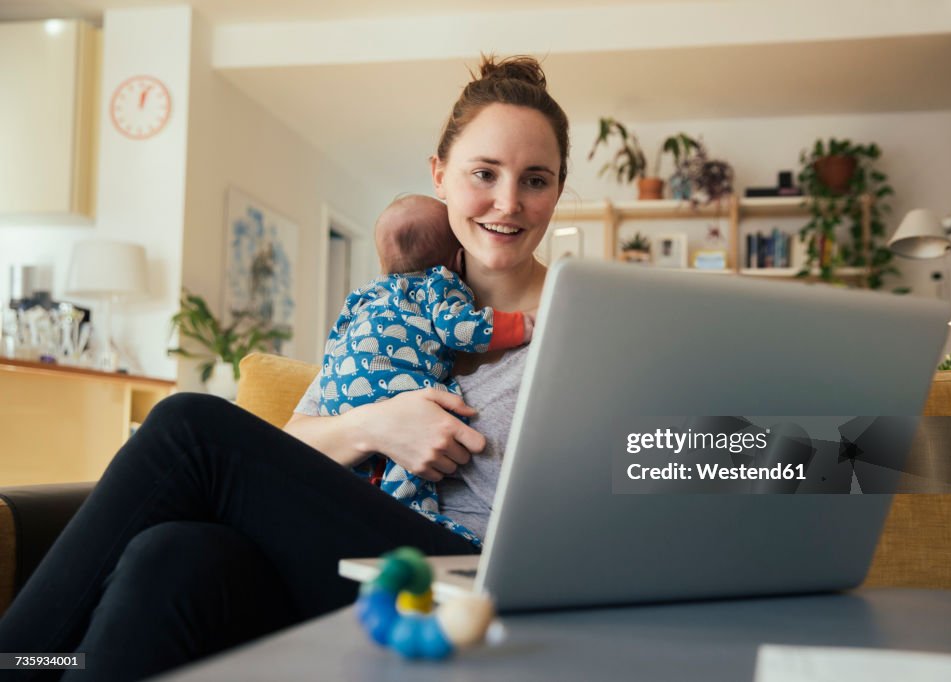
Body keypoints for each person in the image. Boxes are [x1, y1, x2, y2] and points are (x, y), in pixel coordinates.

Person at [0, 53, 567, 682]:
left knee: (190, 425)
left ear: (559, 189)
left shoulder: (587, 320)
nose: (507, 202)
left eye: (536, 179)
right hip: (348, 561)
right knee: (171, 555)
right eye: (483, 173)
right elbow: (293, 443)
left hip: (465, 580)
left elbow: (681, 459)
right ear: (439, 175)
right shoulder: (389, 309)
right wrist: (374, 426)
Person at [320, 193, 534, 546]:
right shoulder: (439, 283)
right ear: (456, 259)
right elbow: (462, 330)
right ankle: (409, 506)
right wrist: (524, 326)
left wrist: (334, 388)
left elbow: (336, 341)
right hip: (394, 394)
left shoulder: (366, 294)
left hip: (339, 390)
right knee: (440, 410)